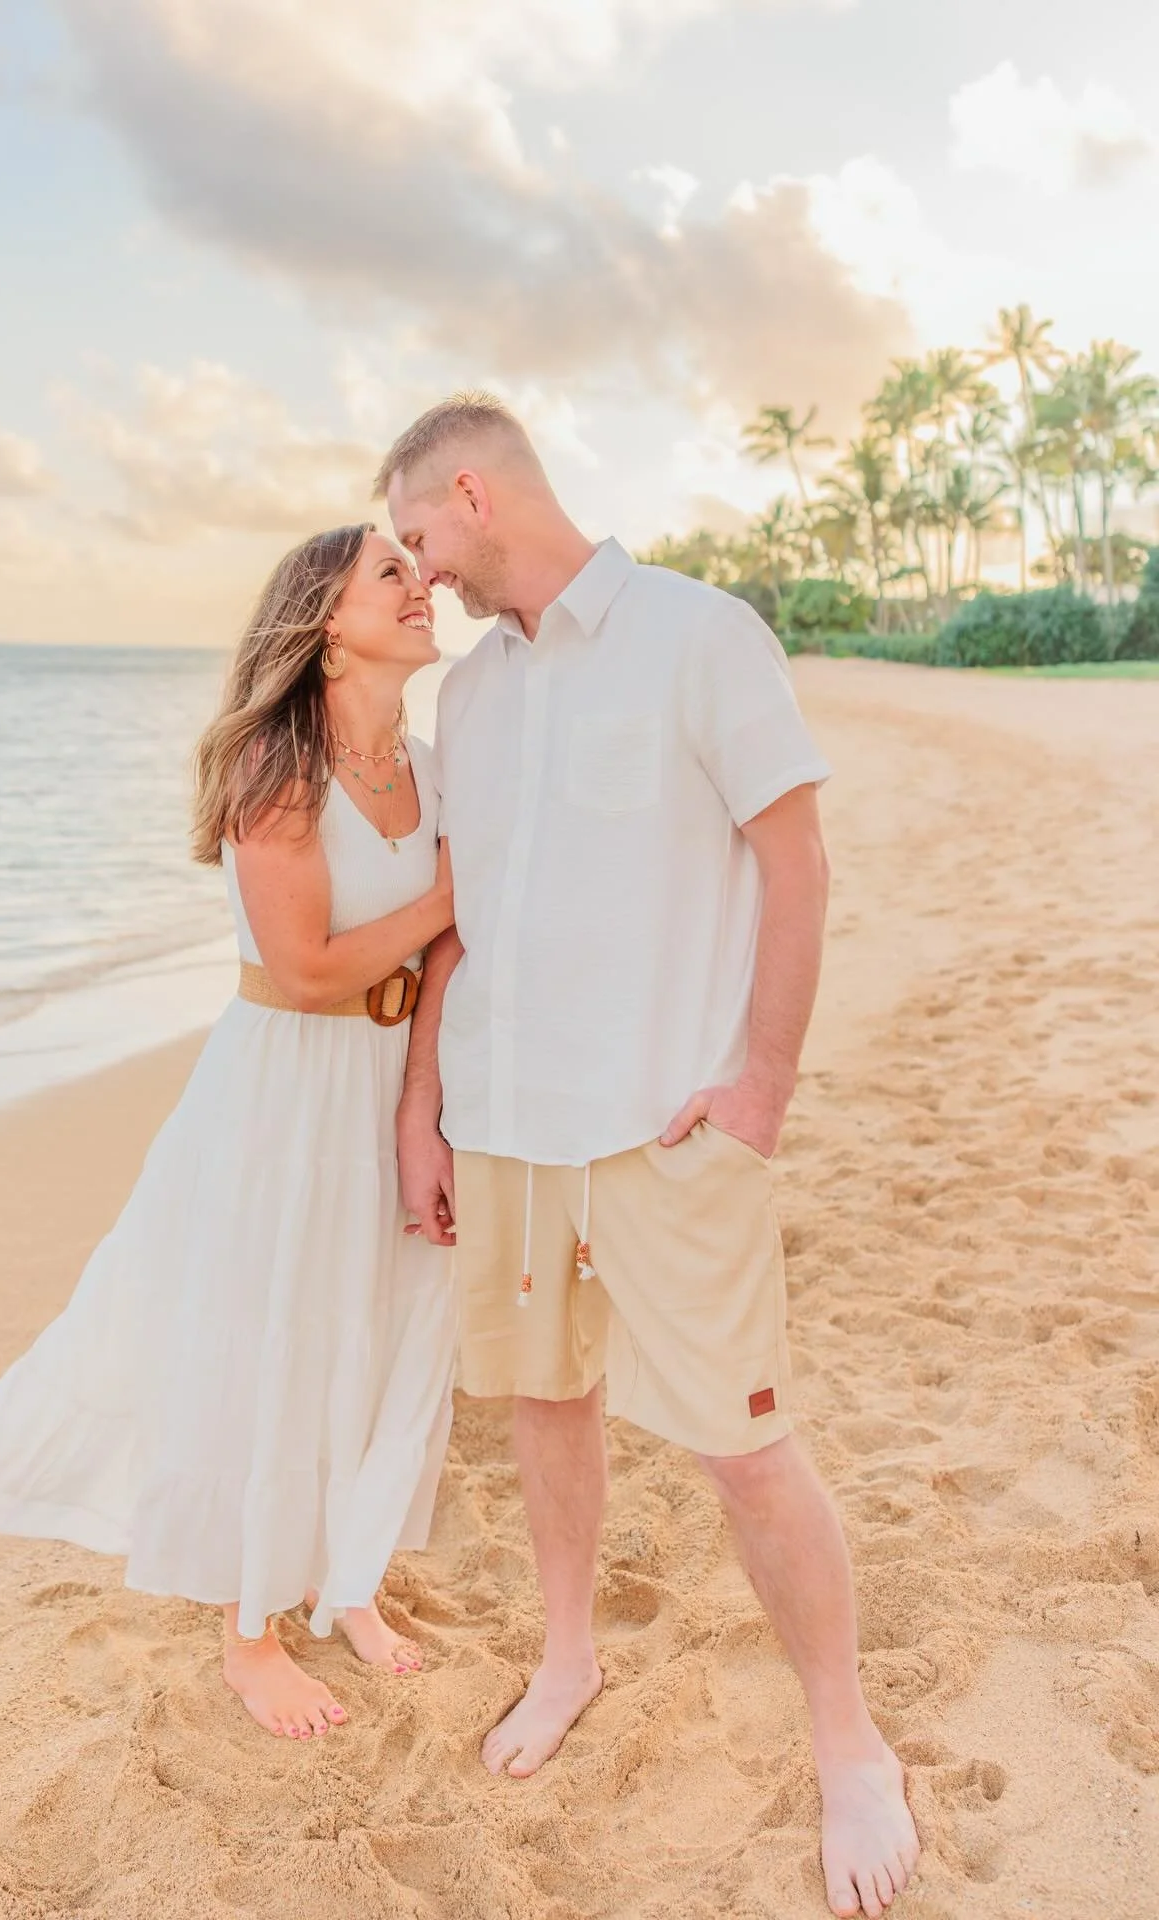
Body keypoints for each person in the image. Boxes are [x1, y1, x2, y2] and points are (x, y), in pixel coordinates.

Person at [379, 394, 921, 1920]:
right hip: (507, 1125)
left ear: (473, 494)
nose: (423, 574)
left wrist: (762, 1084)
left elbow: (796, 859)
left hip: (668, 1121)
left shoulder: (701, 633)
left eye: (421, 538)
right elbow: (459, 920)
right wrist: (427, 1107)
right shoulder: (471, 697)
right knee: (547, 1404)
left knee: (745, 1446)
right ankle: (569, 1655)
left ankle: (848, 1736)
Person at [0, 524, 458, 1742]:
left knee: (385, 1326)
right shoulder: (279, 767)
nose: (422, 586)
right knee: (274, 1337)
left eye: (418, 572)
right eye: (392, 573)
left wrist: (428, 1095)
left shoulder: (431, 762)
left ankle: (350, 1582)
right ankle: (250, 1634)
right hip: (288, 1088)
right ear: (326, 624)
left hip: (397, 1079)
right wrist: (444, 898)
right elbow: (309, 968)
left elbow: (444, 962)